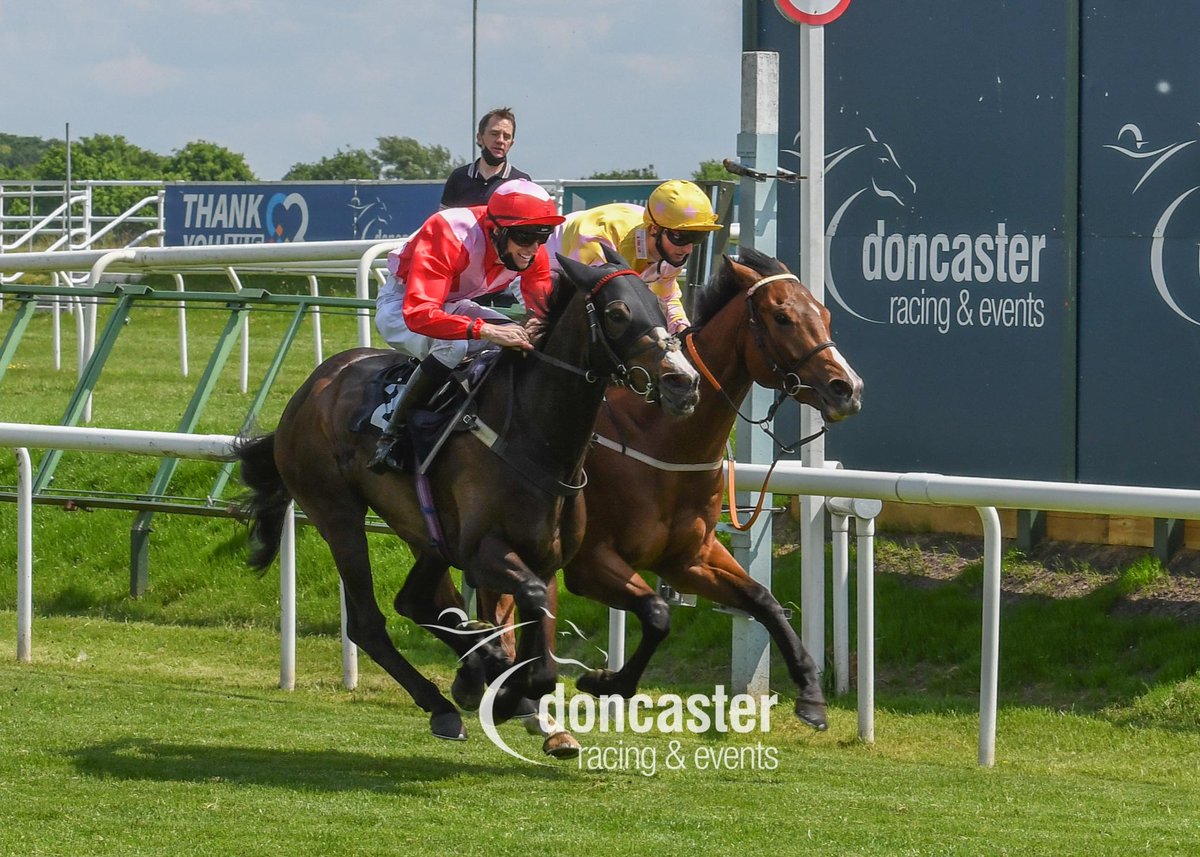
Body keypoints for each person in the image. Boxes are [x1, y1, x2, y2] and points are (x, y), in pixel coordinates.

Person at [368, 179, 565, 473]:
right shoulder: (449, 232)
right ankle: (392, 436)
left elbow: (539, 303)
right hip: (403, 305)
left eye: (543, 236)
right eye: (525, 237)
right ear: (497, 229)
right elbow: (420, 313)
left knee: (522, 337)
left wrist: (536, 323)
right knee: (455, 345)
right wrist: (485, 330)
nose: (534, 248)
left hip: (453, 304)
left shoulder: (530, 248)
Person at [544, 179, 722, 334]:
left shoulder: (672, 249)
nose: (688, 248)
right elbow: (593, 307)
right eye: (682, 237)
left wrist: (682, 329)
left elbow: (667, 298)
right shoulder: (597, 239)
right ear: (654, 229)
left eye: (698, 237)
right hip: (548, 259)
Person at [440, 107, 532, 209]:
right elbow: (444, 222)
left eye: (506, 137)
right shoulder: (459, 178)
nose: (500, 140)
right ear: (479, 138)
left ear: (511, 144)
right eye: (494, 134)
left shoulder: (522, 182)